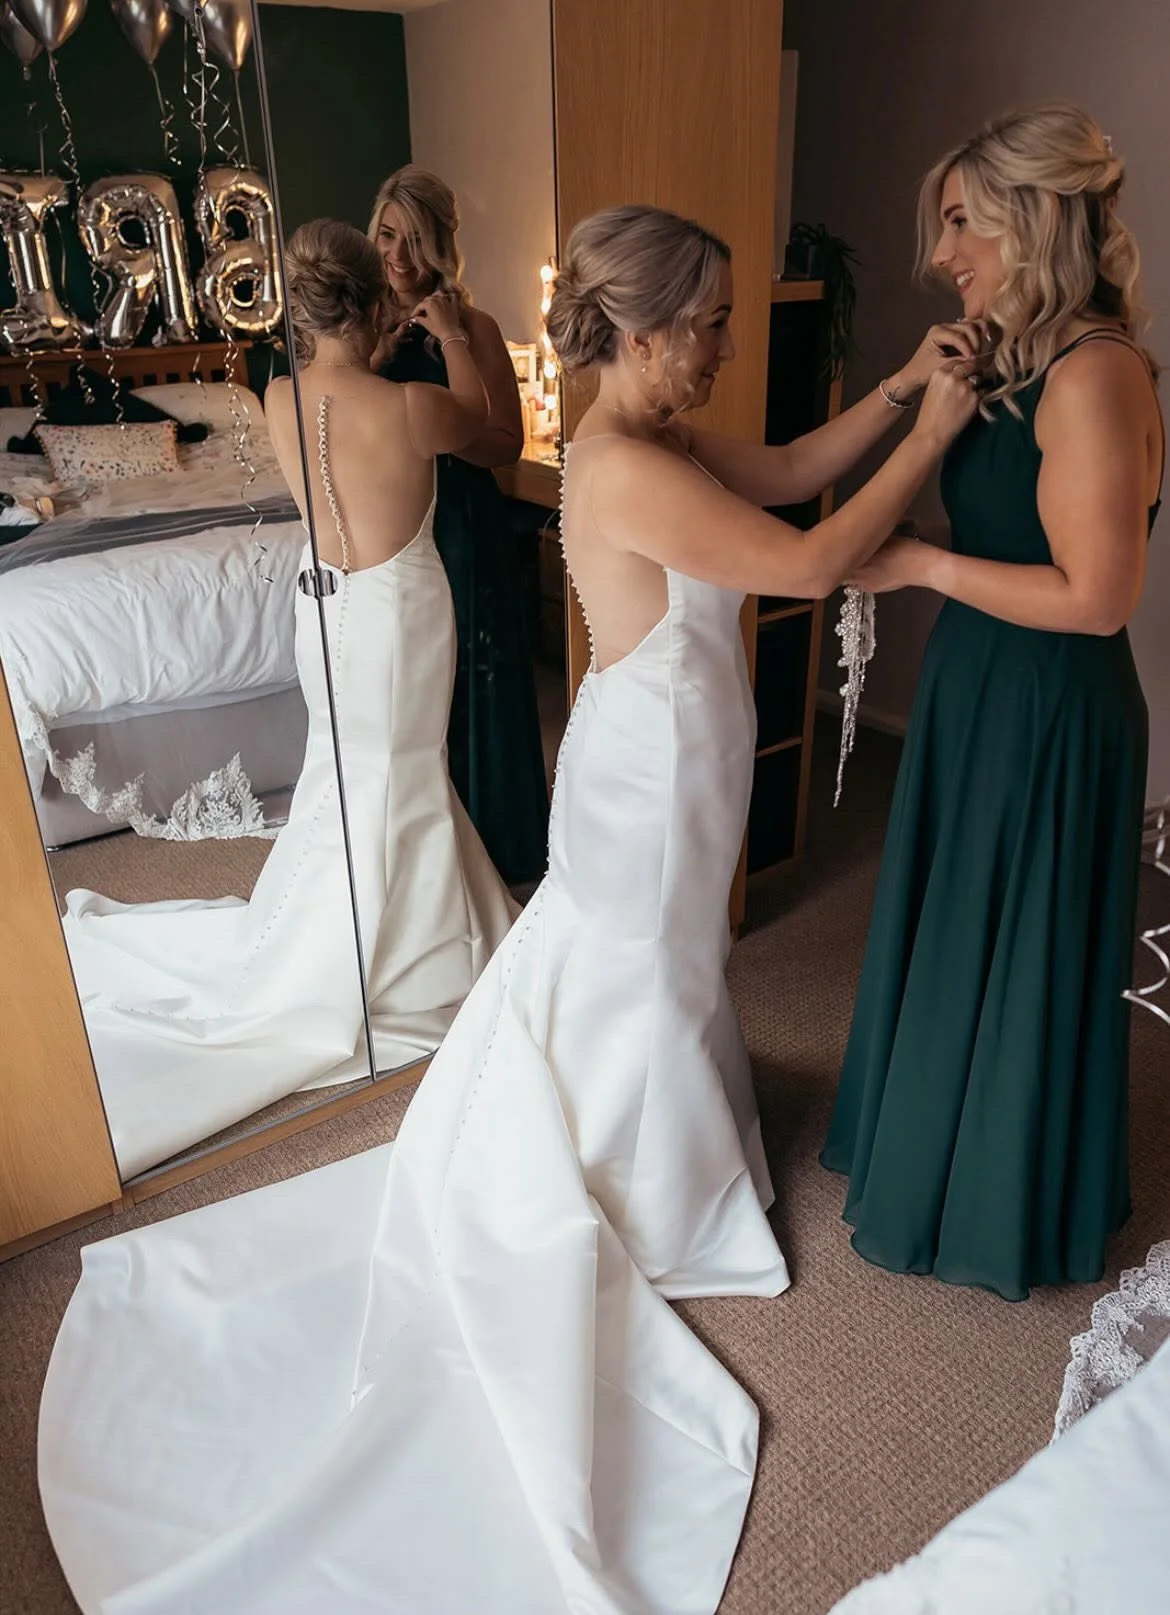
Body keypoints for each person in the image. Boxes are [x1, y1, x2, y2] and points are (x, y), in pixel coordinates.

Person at [37, 204, 976, 1615]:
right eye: (709, 323)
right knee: (644, 966)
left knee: (658, 966)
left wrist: (901, 385)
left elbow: (789, 467)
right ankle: (644, 1180)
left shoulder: (654, 443)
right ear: (645, 327)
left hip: (677, 743)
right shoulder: (613, 465)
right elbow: (800, 557)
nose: (724, 345)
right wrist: (938, 432)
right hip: (650, 766)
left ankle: (656, 1132)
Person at [60, 220, 517, 1180]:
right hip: (398, 612)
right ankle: (413, 954)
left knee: (344, 777)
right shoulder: (411, 407)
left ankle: (369, 928)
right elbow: (486, 423)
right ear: (373, 304)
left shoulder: (277, 393)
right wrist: (458, 324)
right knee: (401, 773)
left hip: (323, 610)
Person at [822, 103, 1165, 1301]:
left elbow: (1100, 595)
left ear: (1031, 218)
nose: (942, 252)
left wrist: (920, 565)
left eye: (962, 221)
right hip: (985, 678)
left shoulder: (1094, 371)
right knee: (962, 918)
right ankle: (936, 1150)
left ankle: (1003, 1192)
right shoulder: (1015, 360)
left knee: (1011, 934)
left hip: (1050, 701)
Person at [369, 165, 550, 885]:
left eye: (414, 240)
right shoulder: (362, 327)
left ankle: (495, 844)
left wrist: (444, 421)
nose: (399, 257)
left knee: (474, 675)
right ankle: (416, 856)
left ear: (439, 246)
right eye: (387, 235)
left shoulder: (475, 327)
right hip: (393, 518)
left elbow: (505, 442)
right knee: (407, 676)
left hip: (463, 520)